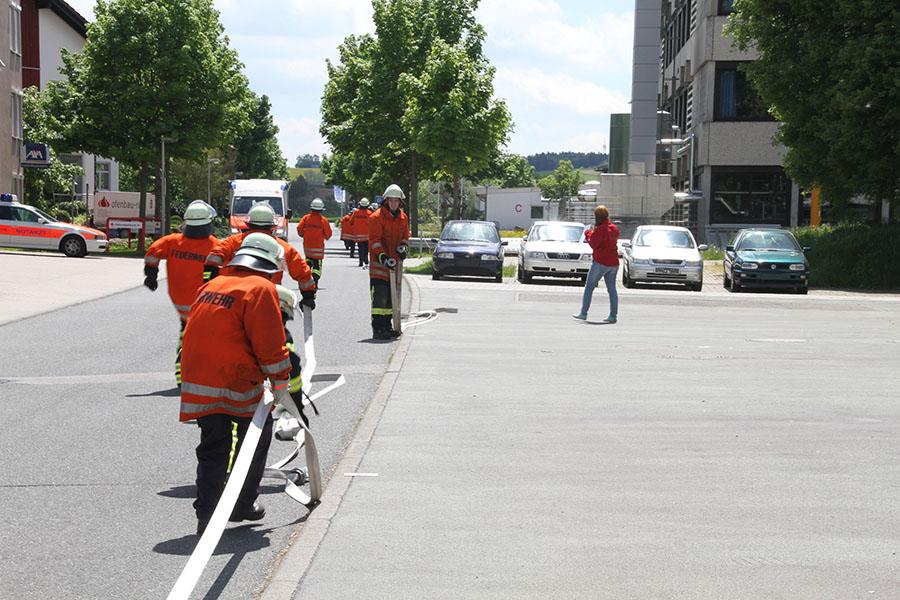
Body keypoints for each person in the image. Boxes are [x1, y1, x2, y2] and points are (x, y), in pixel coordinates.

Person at [181, 233, 307, 535]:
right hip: (234, 379)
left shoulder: (212, 285)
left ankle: (207, 515)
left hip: (199, 380)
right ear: (268, 265)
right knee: (256, 435)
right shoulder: (260, 288)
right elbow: (270, 345)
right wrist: (280, 385)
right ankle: (242, 503)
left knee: (213, 447)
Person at [143, 200, 218, 385]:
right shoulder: (215, 245)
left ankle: (183, 378)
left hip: (181, 303)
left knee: (187, 338)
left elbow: (152, 253)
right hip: (207, 305)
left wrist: (151, 274)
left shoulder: (172, 242)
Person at [204, 203, 317, 304]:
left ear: (249, 224)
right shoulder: (282, 247)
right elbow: (302, 273)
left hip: (234, 297)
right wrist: (308, 296)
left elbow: (213, 259)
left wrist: (213, 280)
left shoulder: (233, 242)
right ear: (272, 225)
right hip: (268, 298)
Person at [368, 185, 410, 340]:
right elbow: (374, 242)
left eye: (396, 201)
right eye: (390, 201)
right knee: (380, 298)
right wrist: (383, 258)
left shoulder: (403, 218)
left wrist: (403, 249)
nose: (393, 204)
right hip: (380, 267)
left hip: (395, 265)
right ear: (385, 201)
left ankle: (387, 326)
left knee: (392, 298)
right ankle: (378, 328)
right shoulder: (376, 217)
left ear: (400, 202)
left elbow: (405, 236)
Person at [573, 205, 619, 323]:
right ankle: (613, 315)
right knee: (612, 290)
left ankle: (584, 313)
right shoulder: (614, 228)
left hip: (600, 262)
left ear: (597, 216)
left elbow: (594, 243)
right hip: (614, 263)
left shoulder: (600, 229)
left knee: (589, 287)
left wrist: (588, 233)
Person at [296, 198, 333, 285]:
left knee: (308, 263)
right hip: (318, 248)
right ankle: (315, 281)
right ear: (321, 209)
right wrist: (324, 236)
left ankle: (307, 278)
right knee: (317, 266)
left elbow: (299, 229)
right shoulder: (323, 220)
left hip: (307, 247)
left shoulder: (305, 218)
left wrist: (303, 235)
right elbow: (328, 234)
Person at [349, 197, 372, 268]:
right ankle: (366, 261)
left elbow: (351, 222)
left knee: (360, 248)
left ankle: (360, 262)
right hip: (367, 235)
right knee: (366, 249)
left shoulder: (356, 212)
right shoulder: (370, 213)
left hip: (358, 235)